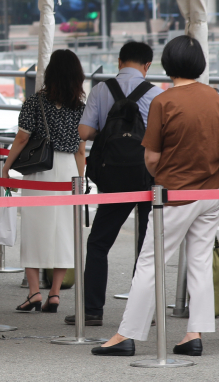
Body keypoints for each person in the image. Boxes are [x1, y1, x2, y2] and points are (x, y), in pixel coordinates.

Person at [93, 35, 219, 358]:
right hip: (212, 191)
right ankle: (194, 333)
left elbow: (151, 158)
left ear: (166, 65)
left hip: (175, 193)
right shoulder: (214, 96)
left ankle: (126, 334)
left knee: (150, 263)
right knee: (199, 262)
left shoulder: (164, 101)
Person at [71, 41, 159, 326]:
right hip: (147, 177)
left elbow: (84, 131)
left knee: (98, 244)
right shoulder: (156, 93)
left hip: (112, 177)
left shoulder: (100, 90)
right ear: (148, 65)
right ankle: (143, 311)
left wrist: (111, 135)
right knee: (148, 245)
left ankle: (92, 311)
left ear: (119, 61)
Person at [2, 49, 85, 313]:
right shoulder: (80, 108)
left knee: (34, 228)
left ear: (49, 74)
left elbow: (22, 139)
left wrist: (6, 167)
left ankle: (34, 292)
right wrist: (80, 179)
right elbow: (81, 150)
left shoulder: (35, 103)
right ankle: (55, 294)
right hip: (68, 169)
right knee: (63, 231)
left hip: (40, 170)